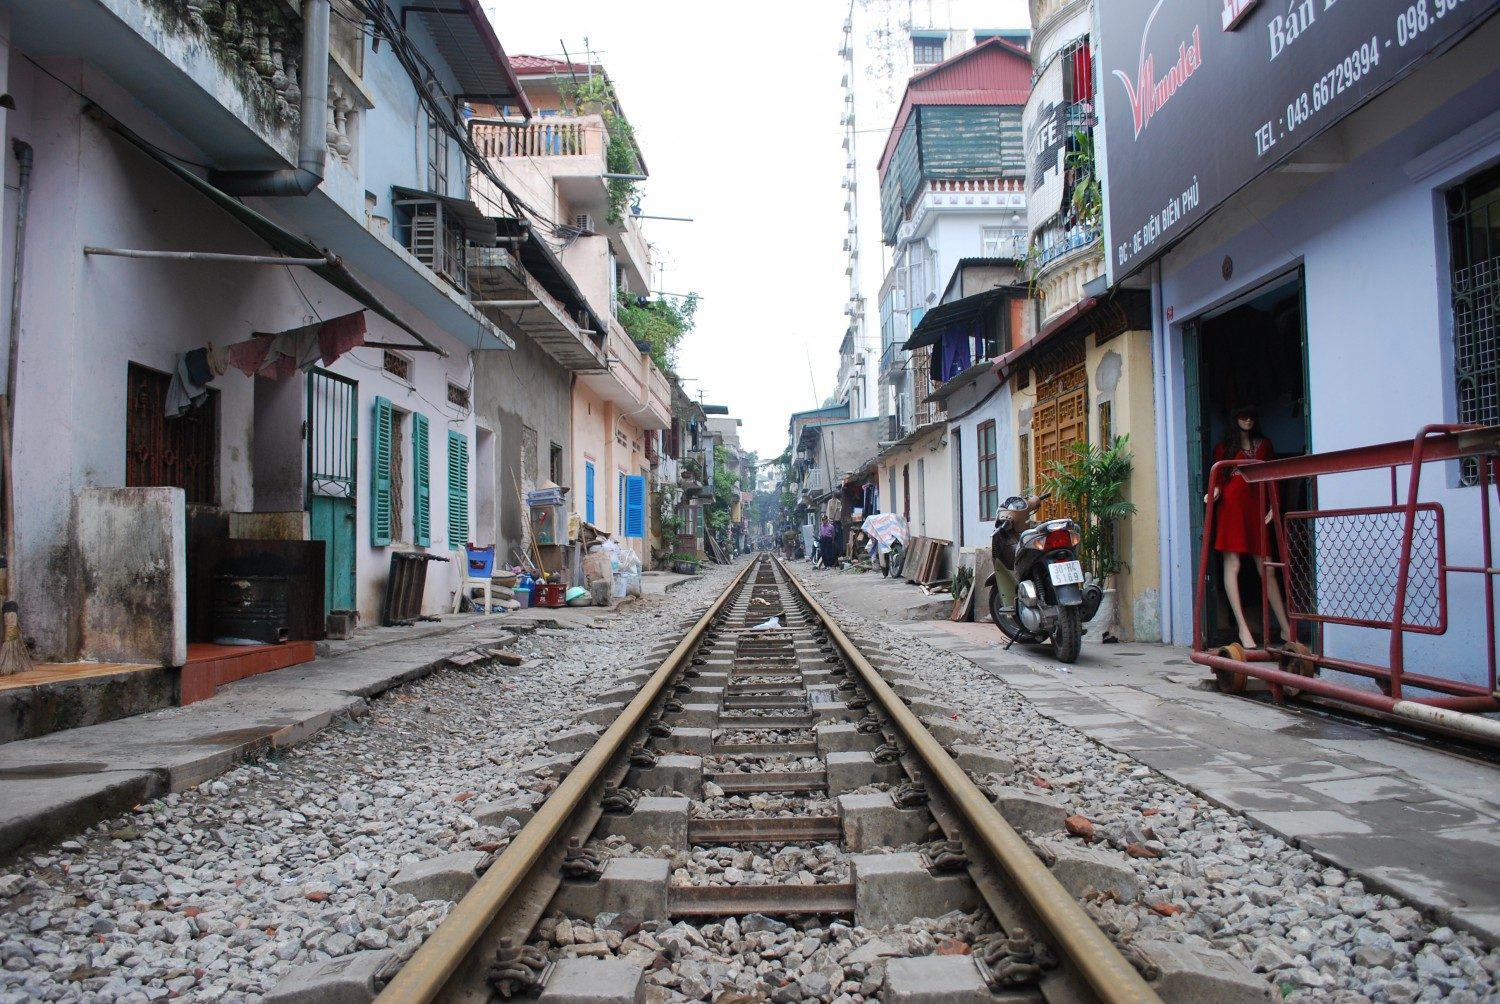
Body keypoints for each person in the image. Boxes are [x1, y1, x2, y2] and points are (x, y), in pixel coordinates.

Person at [1208, 405, 1292, 649]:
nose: (1247, 420)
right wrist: (1213, 492)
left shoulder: (1264, 445)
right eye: (1242, 415)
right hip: (1232, 509)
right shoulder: (1224, 448)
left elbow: (1272, 476)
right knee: (1232, 564)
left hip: (1257, 506)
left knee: (1267, 568)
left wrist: (1273, 505)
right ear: (1234, 419)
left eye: (1251, 416)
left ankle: (1286, 628)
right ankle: (1243, 628)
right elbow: (1219, 480)